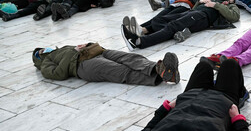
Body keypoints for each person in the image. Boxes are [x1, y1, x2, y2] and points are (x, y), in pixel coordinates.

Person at [120, 0, 240, 49]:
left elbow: (234, 17)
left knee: (173, 26)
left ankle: (139, 42)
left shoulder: (231, 6)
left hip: (203, 17)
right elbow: (194, 8)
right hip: (193, 13)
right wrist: (201, 2)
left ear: (231, 0)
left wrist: (215, 5)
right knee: (161, 19)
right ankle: (142, 30)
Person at [32, 44, 180, 84]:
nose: (46, 48)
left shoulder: (61, 49)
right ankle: (163, 77)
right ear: (39, 56)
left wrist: (87, 45)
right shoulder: (45, 62)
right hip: (83, 66)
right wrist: (74, 52)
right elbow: (58, 74)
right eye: (41, 50)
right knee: (120, 71)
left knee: (130, 58)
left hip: (98, 51)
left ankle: (158, 68)